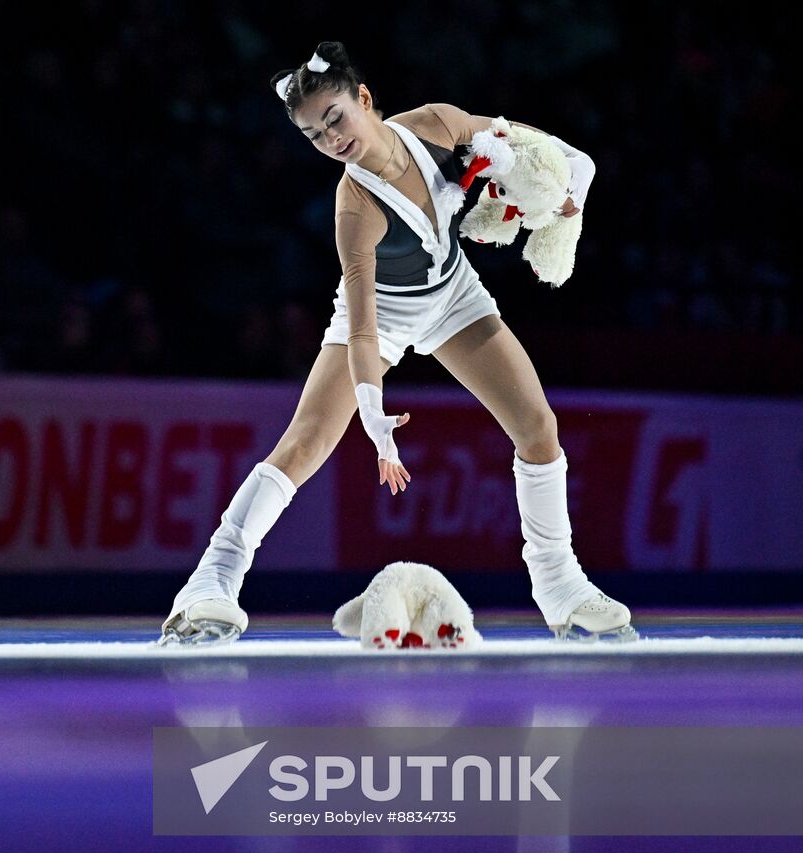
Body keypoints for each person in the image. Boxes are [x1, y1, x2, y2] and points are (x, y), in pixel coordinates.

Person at [159, 41, 633, 646]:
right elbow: (360, 327)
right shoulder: (353, 206)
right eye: (313, 134)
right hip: (382, 317)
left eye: (335, 118)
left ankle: (560, 586)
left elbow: (547, 152)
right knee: (305, 443)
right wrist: (373, 412)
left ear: (364, 98)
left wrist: (575, 186)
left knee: (538, 427)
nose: (331, 138)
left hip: (454, 293)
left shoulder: (436, 124)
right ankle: (210, 581)